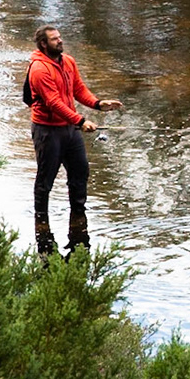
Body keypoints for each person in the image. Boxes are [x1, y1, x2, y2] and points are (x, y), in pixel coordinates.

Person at [25, 25, 121, 257]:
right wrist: (80, 121)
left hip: (69, 129)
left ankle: (78, 215)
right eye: (54, 39)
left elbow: (78, 89)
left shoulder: (67, 61)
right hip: (47, 131)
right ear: (43, 44)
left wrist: (98, 104)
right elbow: (53, 102)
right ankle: (41, 222)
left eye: (60, 37)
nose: (60, 41)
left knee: (81, 172)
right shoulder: (39, 69)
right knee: (45, 178)